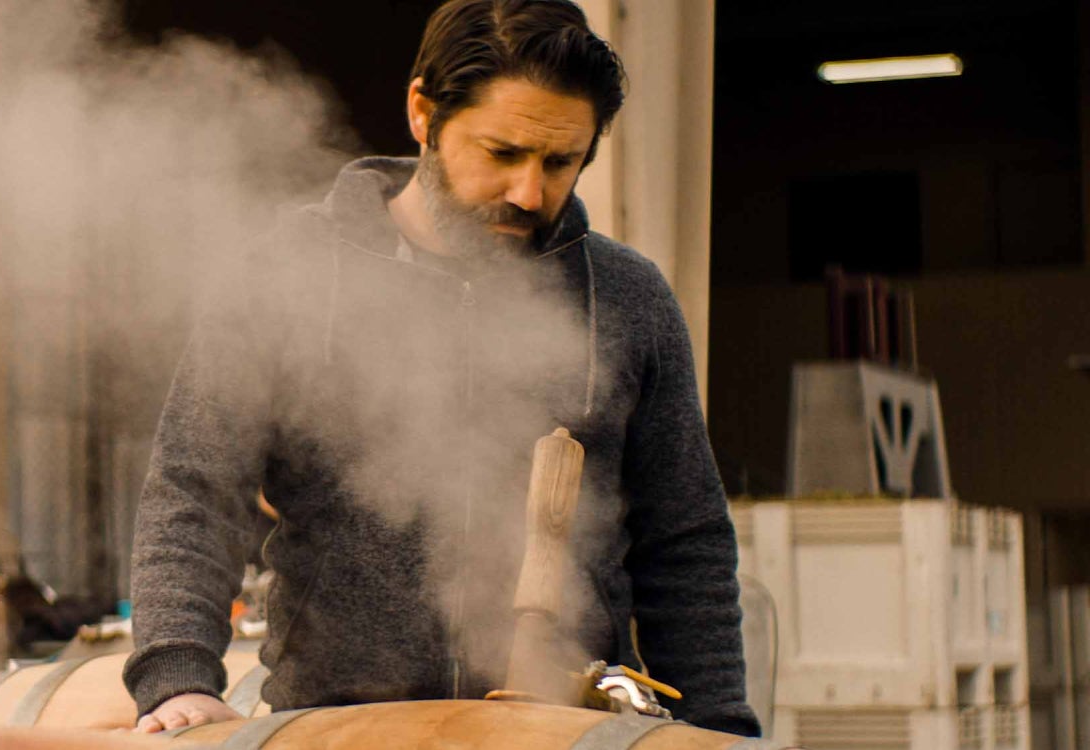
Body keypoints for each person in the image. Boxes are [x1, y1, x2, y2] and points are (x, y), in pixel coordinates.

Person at [122, 0, 759, 737]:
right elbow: (195, 489)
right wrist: (176, 673)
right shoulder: (286, 275)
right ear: (423, 112)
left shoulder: (626, 297)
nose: (529, 193)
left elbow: (684, 540)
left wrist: (720, 727)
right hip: (339, 729)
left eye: (560, 162)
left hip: (566, 731)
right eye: (502, 153)